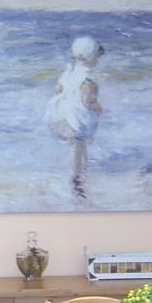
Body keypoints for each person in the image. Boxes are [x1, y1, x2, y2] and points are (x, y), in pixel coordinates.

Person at [45, 36, 104, 198]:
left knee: (76, 146)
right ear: (91, 58)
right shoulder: (88, 78)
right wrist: (98, 107)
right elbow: (89, 99)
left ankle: (75, 172)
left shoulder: (68, 72)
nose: (97, 61)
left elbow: (57, 89)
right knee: (78, 147)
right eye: (97, 57)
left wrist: (68, 96)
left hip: (60, 115)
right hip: (76, 119)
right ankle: (75, 177)